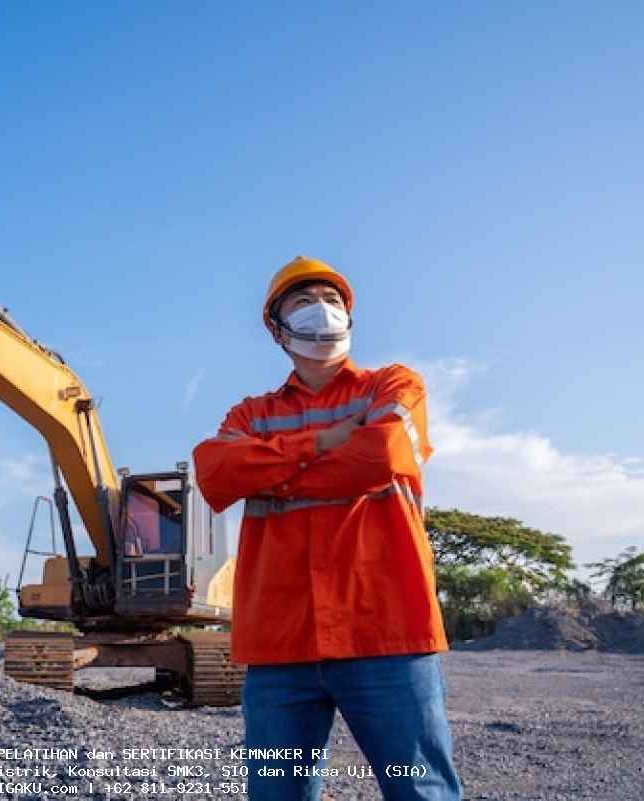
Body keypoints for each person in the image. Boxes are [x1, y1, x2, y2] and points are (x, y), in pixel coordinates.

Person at [192, 257, 462, 801]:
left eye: (332, 299)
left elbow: (383, 453)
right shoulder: (251, 412)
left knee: (421, 793)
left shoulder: (393, 385)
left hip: (387, 634)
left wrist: (276, 469)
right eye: (302, 301)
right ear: (276, 327)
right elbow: (216, 473)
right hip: (280, 648)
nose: (322, 309)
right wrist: (324, 440)